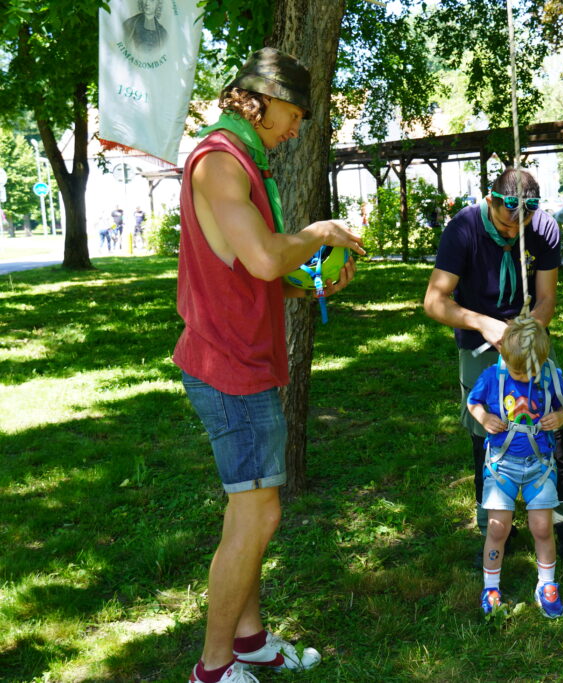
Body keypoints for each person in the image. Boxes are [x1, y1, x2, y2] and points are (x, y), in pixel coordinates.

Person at [174, 47, 365, 683]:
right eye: (297, 114)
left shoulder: (240, 160)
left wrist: (303, 285)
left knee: (249, 515)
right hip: (227, 364)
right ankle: (213, 667)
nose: (298, 128)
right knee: (258, 515)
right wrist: (321, 232)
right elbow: (261, 256)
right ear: (263, 101)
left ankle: (250, 640)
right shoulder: (220, 161)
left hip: (242, 359)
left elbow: (252, 270)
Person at [423, 167, 563, 584]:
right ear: (491, 202)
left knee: (555, 433)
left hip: (529, 338)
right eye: (507, 224)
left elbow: (546, 299)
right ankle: (494, 526)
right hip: (479, 340)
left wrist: (527, 334)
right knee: (488, 433)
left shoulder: (544, 228)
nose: (514, 232)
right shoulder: (463, 229)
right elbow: (434, 301)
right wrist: (483, 324)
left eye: (522, 223)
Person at [468, 315, 563, 618]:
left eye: (531, 372)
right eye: (518, 372)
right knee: (497, 528)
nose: (525, 378)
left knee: (542, 527)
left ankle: (547, 584)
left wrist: (560, 417)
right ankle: (491, 587)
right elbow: (473, 402)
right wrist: (485, 418)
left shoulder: (551, 376)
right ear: (503, 353)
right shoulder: (492, 376)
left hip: (539, 466)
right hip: (502, 466)